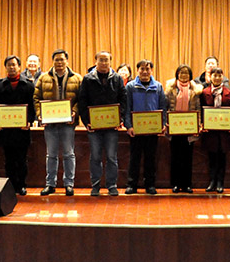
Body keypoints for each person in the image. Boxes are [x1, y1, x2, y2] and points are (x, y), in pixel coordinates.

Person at [77, 51, 128, 196]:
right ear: (96, 62)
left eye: (106, 60)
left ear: (110, 62)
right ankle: (95, 185)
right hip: (94, 127)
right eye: (101, 60)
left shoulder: (117, 79)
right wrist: (86, 122)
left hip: (112, 126)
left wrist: (119, 119)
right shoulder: (88, 79)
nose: (104, 63)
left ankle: (112, 185)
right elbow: (82, 101)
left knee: (112, 157)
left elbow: (123, 99)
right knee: (95, 157)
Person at [34, 49, 82, 196]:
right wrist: (40, 114)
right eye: (57, 60)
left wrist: (74, 112)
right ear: (53, 61)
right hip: (50, 123)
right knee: (51, 154)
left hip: (68, 124)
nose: (59, 62)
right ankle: (50, 184)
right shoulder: (43, 78)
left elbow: (82, 99)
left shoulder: (77, 78)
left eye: (62, 59)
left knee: (69, 154)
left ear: (67, 61)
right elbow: (36, 98)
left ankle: (69, 184)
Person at [0, 55, 36, 196]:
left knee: (22, 160)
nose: (11, 67)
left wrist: (29, 121)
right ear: (5, 67)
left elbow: (33, 107)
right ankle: (10, 186)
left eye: (14, 65)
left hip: (22, 130)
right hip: (6, 130)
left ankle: (21, 185)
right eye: (9, 65)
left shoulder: (28, 85)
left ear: (19, 66)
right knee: (9, 160)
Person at [125, 59, 167, 195]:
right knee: (134, 158)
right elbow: (127, 108)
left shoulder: (158, 87)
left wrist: (162, 124)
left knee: (151, 158)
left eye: (147, 69)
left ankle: (150, 185)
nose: (144, 72)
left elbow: (163, 107)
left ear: (151, 71)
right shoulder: (130, 87)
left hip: (152, 130)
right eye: (142, 69)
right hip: (136, 130)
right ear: (137, 70)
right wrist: (129, 126)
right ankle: (132, 184)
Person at [164, 64, 202, 193]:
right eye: (181, 73)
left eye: (186, 73)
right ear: (177, 74)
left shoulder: (195, 91)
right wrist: (166, 123)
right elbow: (166, 107)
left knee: (187, 158)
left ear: (190, 75)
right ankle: (175, 184)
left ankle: (187, 184)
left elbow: (198, 109)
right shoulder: (170, 90)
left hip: (189, 129)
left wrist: (198, 125)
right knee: (175, 157)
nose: (184, 75)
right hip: (174, 129)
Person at [200, 67, 230, 193]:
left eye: (219, 76)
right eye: (215, 75)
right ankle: (212, 181)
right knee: (212, 157)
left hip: (224, 133)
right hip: (210, 133)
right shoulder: (204, 93)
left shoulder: (228, 93)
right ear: (210, 77)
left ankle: (220, 182)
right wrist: (202, 124)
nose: (217, 78)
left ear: (222, 77)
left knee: (222, 157)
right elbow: (201, 110)